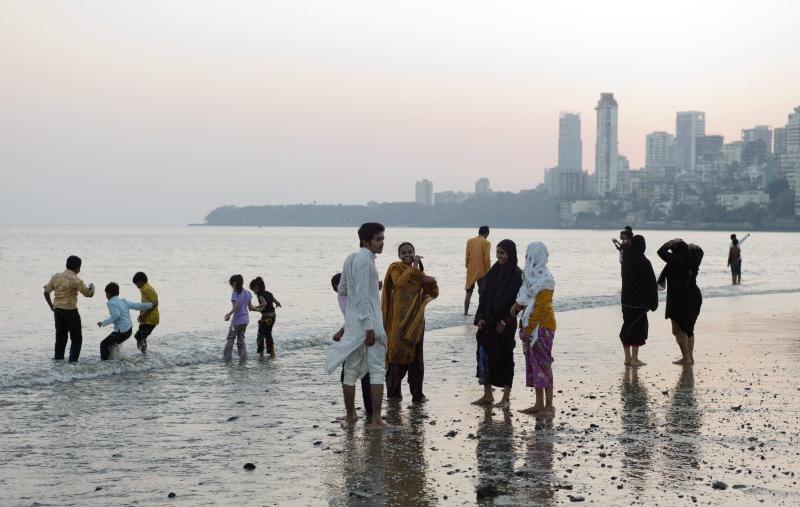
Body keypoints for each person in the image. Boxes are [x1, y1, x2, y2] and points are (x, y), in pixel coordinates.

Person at [325, 223, 391, 429]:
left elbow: (343, 289)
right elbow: (362, 295)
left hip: (354, 325)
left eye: (382, 238)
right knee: (377, 370)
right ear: (366, 241)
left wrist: (371, 288)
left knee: (351, 372)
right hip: (369, 325)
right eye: (378, 239)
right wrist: (369, 327)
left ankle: (351, 416)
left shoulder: (351, 259)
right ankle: (376, 420)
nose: (382, 243)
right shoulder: (365, 262)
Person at [382, 242, 439, 403]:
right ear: (399, 255)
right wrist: (413, 269)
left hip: (416, 323)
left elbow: (433, 293)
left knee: (416, 359)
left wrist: (432, 281)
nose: (407, 254)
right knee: (396, 356)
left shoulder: (418, 273)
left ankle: (417, 394)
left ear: (414, 253)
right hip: (398, 323)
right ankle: (393, 395)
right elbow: (399, 283)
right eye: (403, 252)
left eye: (410, 251)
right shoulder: (395, 268)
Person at [472, 239, 522, 408]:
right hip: (488, 323)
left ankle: (505, 398)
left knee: (506, 358)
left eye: (503, 253)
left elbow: (519, 302)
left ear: (511, 254)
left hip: (505, 325)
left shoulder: (517, 275)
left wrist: (504, 321)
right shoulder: (493, 272)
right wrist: (479, 318)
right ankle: (487, 394)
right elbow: (483, 297)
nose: (499, 256)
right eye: (498, 252)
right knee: (484, 356)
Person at [512, 242, 557, 416]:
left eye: (528, 255)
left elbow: (540, 309)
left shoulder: (545, 280)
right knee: (534, 365)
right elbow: (527, 299)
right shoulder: (530, 279)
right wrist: (517, 306)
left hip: (542, 328)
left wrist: (528, 329)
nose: (526, 258)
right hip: (530, 327)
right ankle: (539, 403)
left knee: (543, 364)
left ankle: (549, 406)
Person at [331, 272, 373, 422]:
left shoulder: (346, 296)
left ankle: (352, 414)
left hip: (356, 338)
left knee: (349, 375)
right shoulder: (356, 294)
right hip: (365, 335)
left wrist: (341, 331)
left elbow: (353, 317)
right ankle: (369, 412)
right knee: (365, 374)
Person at [657, 239, 703, 365]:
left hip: (680, 298)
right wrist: (689, 246)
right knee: (689, 329)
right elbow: (700, 251)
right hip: (694, 297)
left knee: (677, 330)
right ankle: (690, 357)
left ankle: (686, 358)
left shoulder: (676, 260)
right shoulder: (694, 261)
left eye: (673, 249)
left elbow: (660, 251)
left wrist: (670, 242)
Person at [43, 255, 95, 362]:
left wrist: (51, 306)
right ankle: (72, 364)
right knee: (76, 339)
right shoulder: (76, 279)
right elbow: (88, 294)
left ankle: (58, 362)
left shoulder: (56, 276)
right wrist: (92, 287)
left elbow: (46, 292)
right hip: (70, 311)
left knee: (60, 338)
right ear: (77, 267)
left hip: (57, 310)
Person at [619, 235, 659, 366]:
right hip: (639, 303)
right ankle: (635, 359)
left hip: (626, 301)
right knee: (638, 330)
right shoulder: (644, 262)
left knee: (627, 326)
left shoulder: (626, 260)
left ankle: (626, 358)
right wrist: (653, 303)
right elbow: (652, 283)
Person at [97, 282, 155, 360]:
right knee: (112, 345)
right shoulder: (123, 301)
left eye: (106, 294)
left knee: (103, 344)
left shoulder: (110, 303)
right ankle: (115, 361)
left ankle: (105, 365)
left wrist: (103, 323)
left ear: (108, 293)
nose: (106, 296)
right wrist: (151, 305)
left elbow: (116, 315)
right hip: (129, 330)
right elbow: (137, 305)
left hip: (122, 332)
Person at [223, 274, 258, 362]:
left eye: (231, 284)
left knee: (230, 339)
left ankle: (227, 358)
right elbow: (250, 307)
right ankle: (243, 358)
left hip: (236, 321)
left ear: (234, 283)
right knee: (241, 340)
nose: (231, 286)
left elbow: (236, 305)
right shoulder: (248, 293)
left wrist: (229, 314)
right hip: (245, 321)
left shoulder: (235, 293)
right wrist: (260, 309)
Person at [249, 277, 282, 358]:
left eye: (253, 289)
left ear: (256, 288)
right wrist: (277, 304)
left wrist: (254, 307)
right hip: (273, 316)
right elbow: (277, 303)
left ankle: (261, 354)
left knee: (260, 335)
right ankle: (272, 353)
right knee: (268, 333)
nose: (253, 291)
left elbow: (264, 304)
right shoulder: (269, 293)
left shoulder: (260, 295)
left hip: (266, 317)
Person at [464, 226, 491, 315]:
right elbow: (486, 259)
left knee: (468, 292)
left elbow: (467, 256)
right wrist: (489, 271)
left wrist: (467, 266)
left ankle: (465, 313)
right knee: (482, 293)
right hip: (482, 271)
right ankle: (481, 312)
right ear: (487, 233)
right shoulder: (486, 243)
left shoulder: (470, 241)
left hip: (471, 269)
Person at [132, 272, 159, 354]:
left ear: (141, 281)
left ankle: (144, 351)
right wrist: (141, 315)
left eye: (137, 284)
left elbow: (155, 303)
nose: (136, 286)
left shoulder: (146, 289)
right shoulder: (145, 288)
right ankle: (144, 355)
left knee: (139, 336)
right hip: (148, 318)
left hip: (150, 318)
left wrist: (143, 315)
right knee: (141, 337)